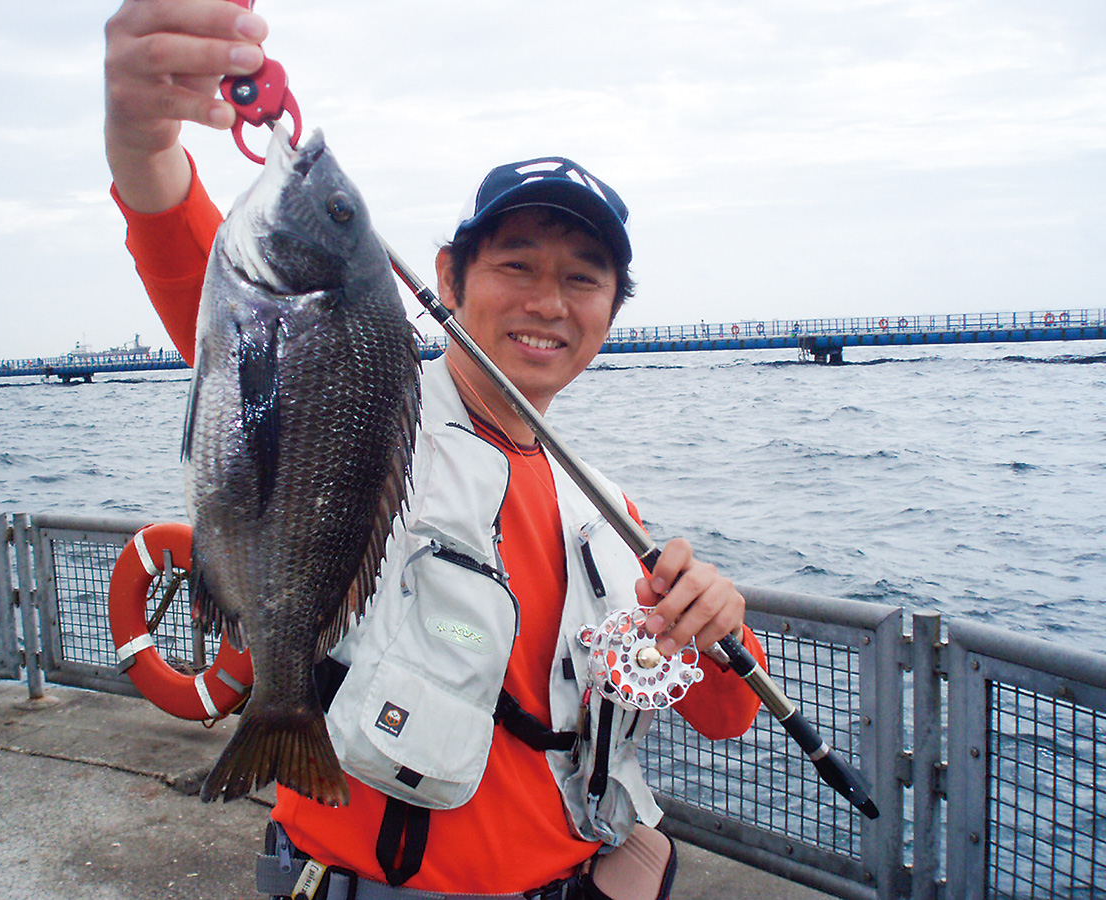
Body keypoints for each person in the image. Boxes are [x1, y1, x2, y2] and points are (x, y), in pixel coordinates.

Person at [104, 3, 767, 898]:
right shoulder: (373, 414)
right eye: (516, 264)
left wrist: (719, 622)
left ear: (611, 312)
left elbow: (725, 718)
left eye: (583, 279)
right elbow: (212, 291)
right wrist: (141, 137)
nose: (548, 302)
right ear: (448, 277)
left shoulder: (609, 511)